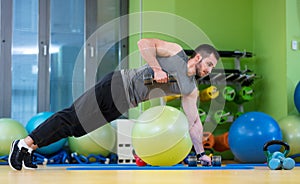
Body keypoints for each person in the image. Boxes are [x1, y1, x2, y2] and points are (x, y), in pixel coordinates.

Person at [8, 38, 219, 171]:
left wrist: (201, 154)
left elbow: (194, 123)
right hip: (117, 84)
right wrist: (156, 68)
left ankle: (29, 148)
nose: (209, 70)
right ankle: (22, 144)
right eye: (209, 64)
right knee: (72, 117)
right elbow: (144, 44)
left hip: (125, 102)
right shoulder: (176, 52)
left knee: (77, 129)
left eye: (212, 68)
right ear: (198, 57)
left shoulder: (189, 88)